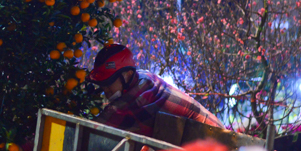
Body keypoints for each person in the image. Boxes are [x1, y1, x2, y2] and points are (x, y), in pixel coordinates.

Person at [88, 44, 223, 137]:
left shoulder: (135, 99)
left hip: (218, 143)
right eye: (102, 84)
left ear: (127, 74)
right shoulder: (144, 77)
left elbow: (91, 129)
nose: (105, 89)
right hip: (212, 139)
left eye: (109, 82)